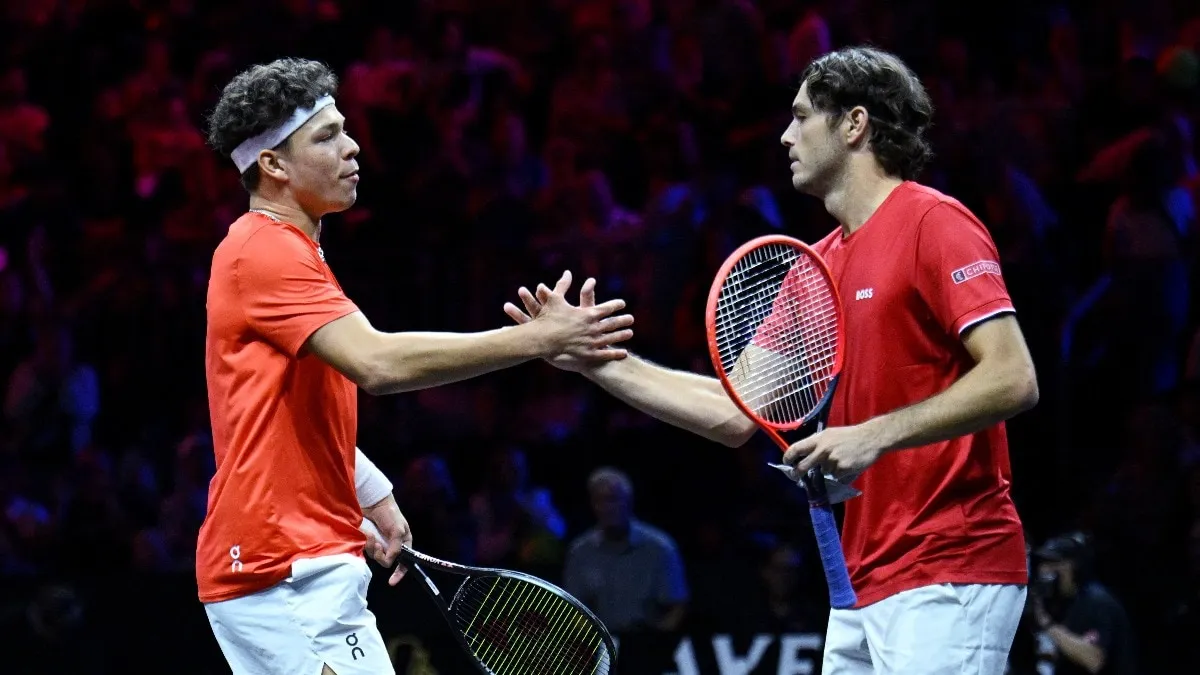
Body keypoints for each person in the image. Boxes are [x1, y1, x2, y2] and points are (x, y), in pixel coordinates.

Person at [506, 46, 1039, 673]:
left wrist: (873, 434)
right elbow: (735, 412)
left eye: (802, 116)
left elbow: (1013, 376)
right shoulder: (819, 266)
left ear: (854, 124)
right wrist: (596, 360)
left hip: (950, 565)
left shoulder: (934, 222)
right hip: (861, 582)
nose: (785, 135)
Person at [198, 57, 634, 675]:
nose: (352, 148)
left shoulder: (287, 252)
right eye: (326, 137)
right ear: (273, 165)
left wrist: (373, 495)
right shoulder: (264, 251)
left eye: (345, 129)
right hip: (282, 565)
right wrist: (534, 339)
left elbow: (285, 419)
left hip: (297, 559)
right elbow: (377, 363)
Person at [562, 467, 689, 633]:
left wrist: (659, 642)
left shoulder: (660, 548)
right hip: (601, 645)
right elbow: (573, 608)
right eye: (599, 501)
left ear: (628, 501)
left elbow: (677, 605)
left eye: (613, 499)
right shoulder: (579, 552)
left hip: (647, 643)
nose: (607, 507)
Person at [1028, 532, 1136, 675]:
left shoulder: (1096, 602)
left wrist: (1047, 624)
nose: (1046, 570)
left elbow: (1093, 660)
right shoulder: (1056, 601)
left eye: (1053, 563)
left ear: (1074, 566)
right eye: (1044, 563)